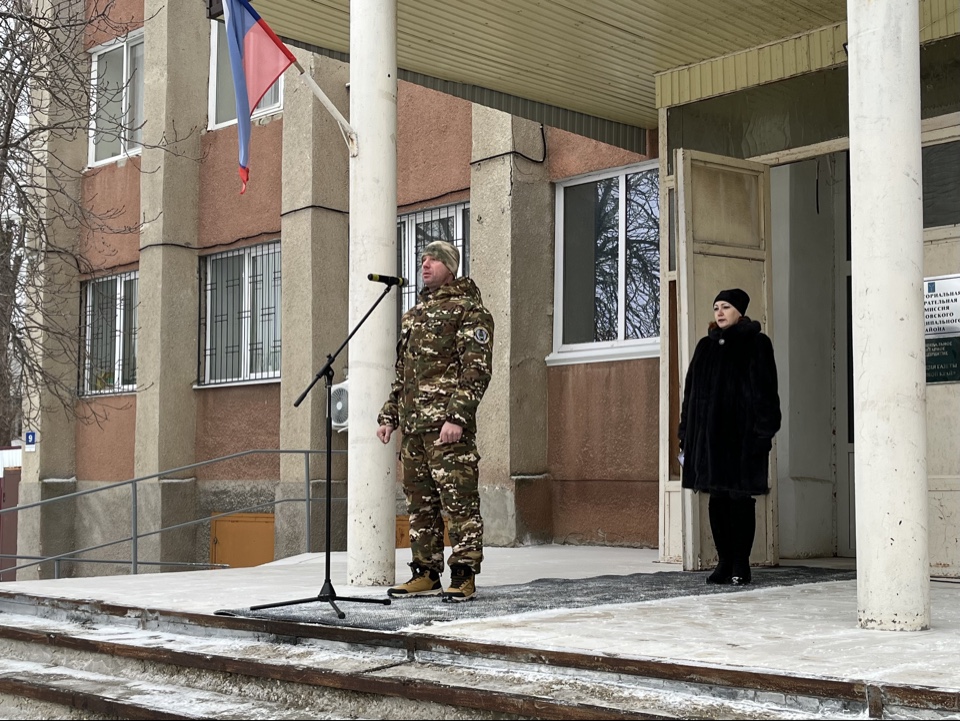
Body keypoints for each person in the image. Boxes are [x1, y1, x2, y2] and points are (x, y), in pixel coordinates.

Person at [376, 240, 494, 602]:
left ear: (451, 267)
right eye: (423, 259)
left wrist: (457, 417)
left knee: (459, 502)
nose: (425, 264)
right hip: (414, 432)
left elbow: (476, 370)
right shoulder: (413, 316)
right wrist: (390, 415)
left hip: (447, 430)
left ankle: (463, 574)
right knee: (420, 506)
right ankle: (425, 573)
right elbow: (403, 375)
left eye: (435, 259)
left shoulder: (469, 311)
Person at [678, 288, 781, 586]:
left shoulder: (757, 344)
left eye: (726, 307)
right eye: (716, 308)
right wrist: (685, 435)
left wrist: (763, 435)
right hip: (708, 442)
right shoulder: (705, 347)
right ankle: (723, 562)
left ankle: (740, 564)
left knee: (739, 498)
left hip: (742, 440)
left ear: (740, 311)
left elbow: (766, 394)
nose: (720, 312)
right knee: (717, 498)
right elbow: (691, 395)